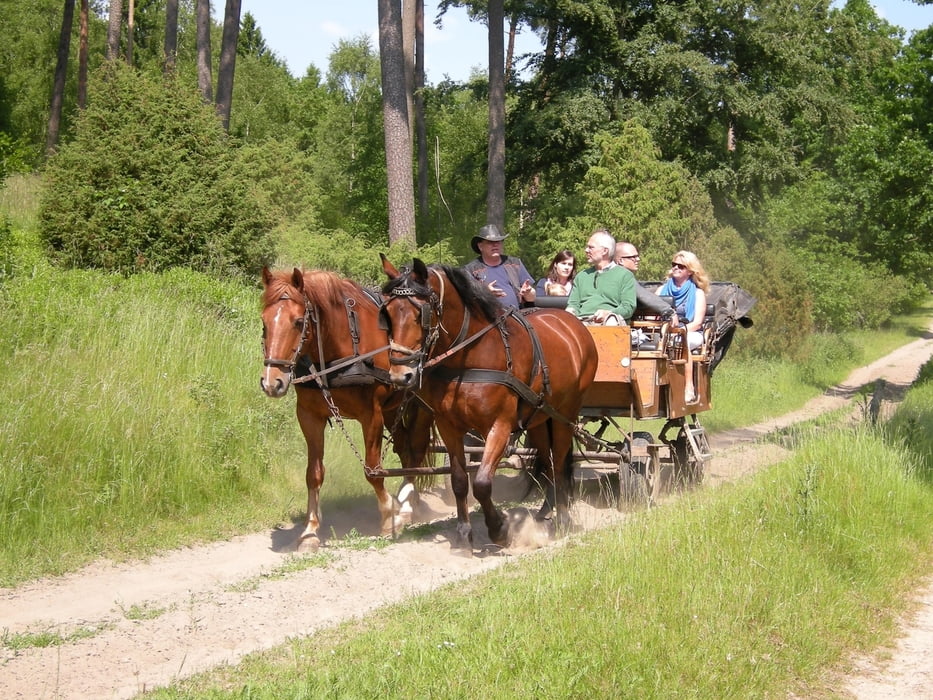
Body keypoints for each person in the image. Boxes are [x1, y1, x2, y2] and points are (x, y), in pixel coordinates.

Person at [656, 250, 711, 405]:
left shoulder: (698, 293)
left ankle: (689, 387)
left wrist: (678, 332)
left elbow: (698, 323)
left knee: (681, 342)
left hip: (690, 331)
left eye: (681, 266)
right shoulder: (661, 290)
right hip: (665, 331)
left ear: (690, 271)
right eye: (674, 264)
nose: (676, 268)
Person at [565, 229, 636, 324]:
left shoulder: (625, 275)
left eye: (591, 247)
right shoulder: (582, 276)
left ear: (604, 251)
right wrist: (570, 311)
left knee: (611, 321)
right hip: (582, 323)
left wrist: (609, 313)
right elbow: (573, 304)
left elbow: (628, 307)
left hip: (610, 322)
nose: (586, 250)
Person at [463, 224, 536, 308]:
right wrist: (485, 293)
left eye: (498, 241)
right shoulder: (470, 270)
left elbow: (532, 298)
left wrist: (528, 293)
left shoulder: (515, 264)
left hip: (518, 316)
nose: (495, 245)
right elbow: (465, 301)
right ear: (480, 246)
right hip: (486, 319)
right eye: (490, 242)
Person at [614, 242, 675, 320]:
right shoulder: (624, 276)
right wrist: (669, 311)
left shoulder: (605, 273)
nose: (638, 259)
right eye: (633, 257)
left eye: (637, 256)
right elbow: (643, 296)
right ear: (620, 261)